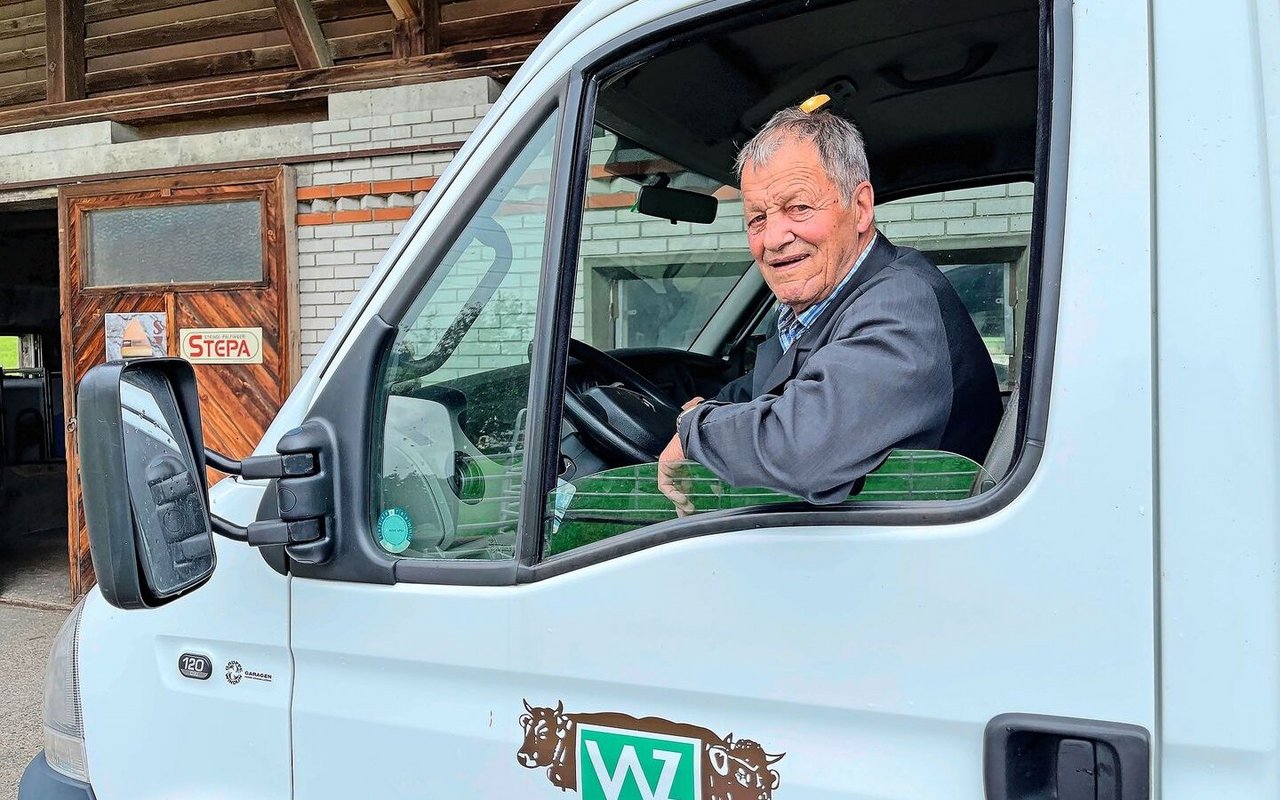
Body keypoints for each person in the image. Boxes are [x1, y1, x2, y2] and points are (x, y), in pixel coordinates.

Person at [658, 107, 1003, 513]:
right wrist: (711, 407)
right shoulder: (816, 305)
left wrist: (695, 431)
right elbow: (763, 387)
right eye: (757, 218)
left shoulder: (903, 305)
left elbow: (804, 447)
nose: (773, 238)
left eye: (798, 208)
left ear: (860, 208)